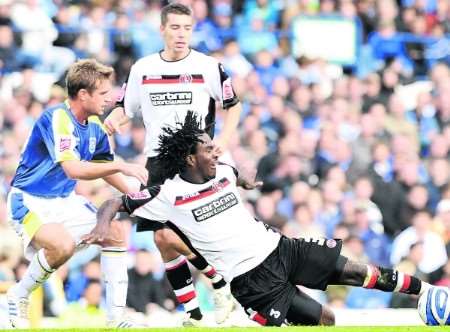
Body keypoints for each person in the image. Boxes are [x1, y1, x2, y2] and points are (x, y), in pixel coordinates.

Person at [84, 111, 432, 326]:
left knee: (357, 271)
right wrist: (103, 225)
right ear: (190, 158)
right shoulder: (168, 194)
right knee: (326, 321)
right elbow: (115, 203)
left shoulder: (221, 170)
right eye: (207, 147)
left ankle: (427, 293)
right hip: (252, 281)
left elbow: (238, 173)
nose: (215, 149)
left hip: (281, 248)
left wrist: (247, 178)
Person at [103, 2, 241, 325]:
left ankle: (218, 285)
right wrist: (110, 123)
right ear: (162, 29)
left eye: (187, 28)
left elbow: (233, 106)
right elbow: (127, 109)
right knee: (162, 239)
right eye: (175, 27)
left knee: (184, 235)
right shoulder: (143, 68)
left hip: (194, 161)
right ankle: (199, 308)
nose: (181, 34)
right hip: (158, 163)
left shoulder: (209, 67)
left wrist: (226, 140)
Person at [5, 59, 148, 328]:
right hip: (30, 200)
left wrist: (136, 196)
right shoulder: (57, 117)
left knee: (115, 234)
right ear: (83, 94)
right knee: (62, 245)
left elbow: (106, 168)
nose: (110, 98)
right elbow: (72, 169)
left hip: (64, 200)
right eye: (103, 93)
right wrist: (122, 165)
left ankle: (116, 319)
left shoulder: (94, 125)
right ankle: (18, 294)